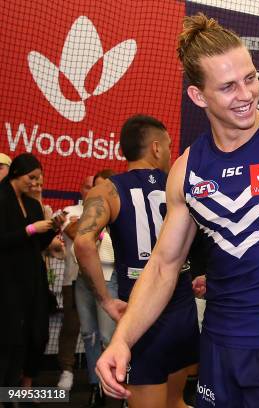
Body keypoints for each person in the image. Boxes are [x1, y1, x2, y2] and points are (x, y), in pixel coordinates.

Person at [96, 13, 259, 408]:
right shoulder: (186, 170)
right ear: (198, 96)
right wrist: (121, 339)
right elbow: (164, 267)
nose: (247, 94)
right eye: (228, 87)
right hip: (218, 344)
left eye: (250, 78)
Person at [74, 115, 199, 408]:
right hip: (182, 307)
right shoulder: (179, 186)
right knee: (177, 402)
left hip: (141, 314)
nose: (170, 152)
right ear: (156, 148)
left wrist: (105, 299)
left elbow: (82, 242)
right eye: (168, 146)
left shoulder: (107, 190)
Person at [0, 153, 64, 390]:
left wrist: (52, 227)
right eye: (32, 178)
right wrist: (29, 229)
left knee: (38, 333)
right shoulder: (2, 198)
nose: (36, 184)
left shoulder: (32, 203)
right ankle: (7, 390)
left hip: (33, 279)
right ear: (16, 174)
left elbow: (39, 242)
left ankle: (23, 386)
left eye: (39, 179)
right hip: (8, 279)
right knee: (9, 338)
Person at [74, 168, 118, 407]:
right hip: (84, 279)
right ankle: (94, 384)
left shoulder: (118, 211)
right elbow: (77, 244)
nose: (97, 191)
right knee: (88, 334)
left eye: (102, 186)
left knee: (107, 336)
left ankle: (109, 388)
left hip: (109, 277)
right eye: (93, 187)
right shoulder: (85, 213)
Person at [57, 175, 94, 390]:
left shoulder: (109, 210)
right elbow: (76, 234)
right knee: (71, 328)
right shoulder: (70, 212)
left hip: (104, 281)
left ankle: (97, 378)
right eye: (87, 187)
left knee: (99, 332)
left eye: (95, 187)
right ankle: (66, 371)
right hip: (72, 279)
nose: (90, 191)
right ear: (81, 190)